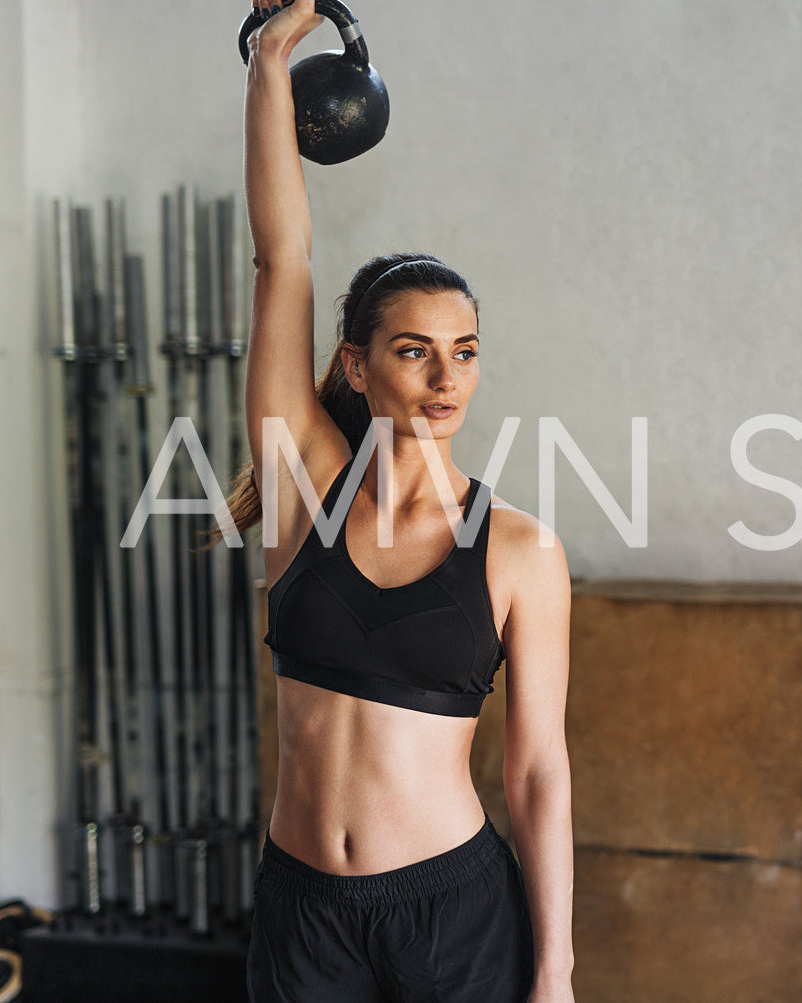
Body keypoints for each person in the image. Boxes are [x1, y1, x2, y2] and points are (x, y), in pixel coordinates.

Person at [225, 3, 576, 1000]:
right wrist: (268, 65)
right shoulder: (304, 491)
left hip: (450, 915)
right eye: (413, 349)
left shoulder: (516, 550)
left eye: (462, 352)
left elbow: (537, 771)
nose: (443, 375)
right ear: (357, 363)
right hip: (302, 914)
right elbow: (279, 259)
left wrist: (554, 969)